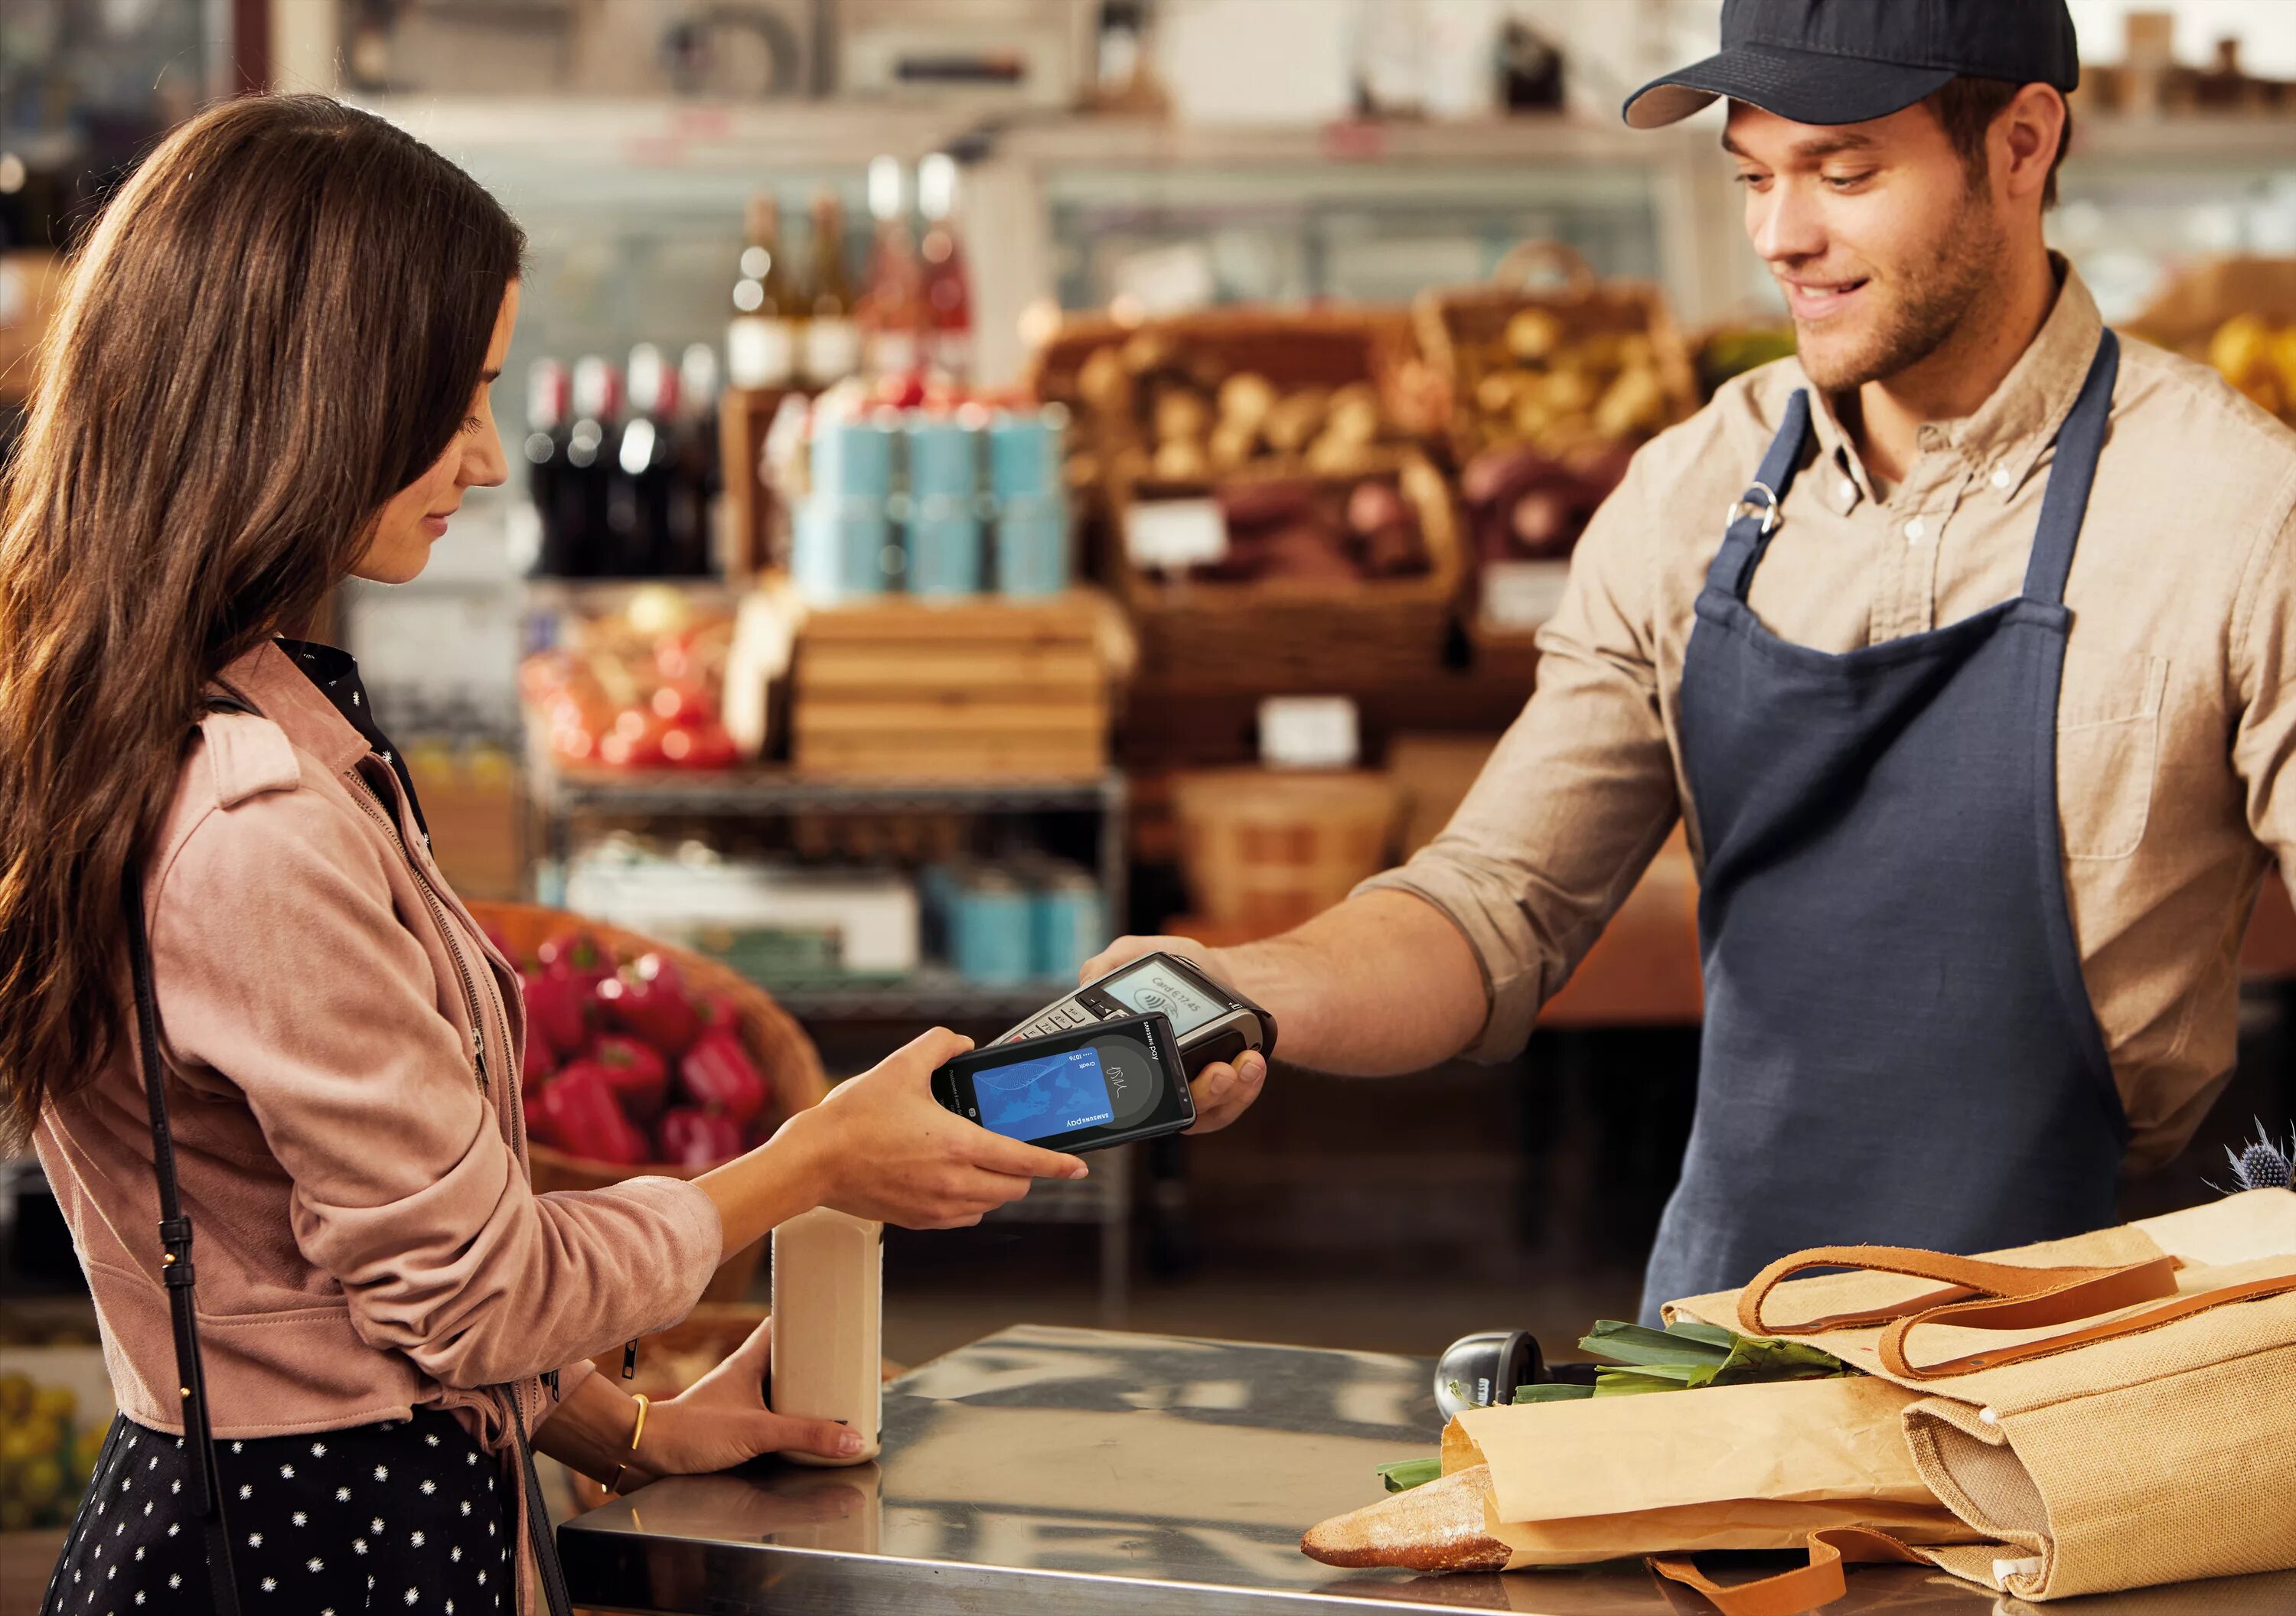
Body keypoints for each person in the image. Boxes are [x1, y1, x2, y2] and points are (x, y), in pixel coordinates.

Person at [0, 95, 1088, 1614]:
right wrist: (817, 1160)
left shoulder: (184, 718)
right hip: (319, 1558)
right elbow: (476, 1289)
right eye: (456, 401)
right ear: (312, 395)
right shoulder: (253, 827)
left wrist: (625, 1428)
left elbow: (338, 1284)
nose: (494, 458)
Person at [1091, 0, 2296, 1321]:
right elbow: (1499, 905)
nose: (1783, 236)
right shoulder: (1691, 490)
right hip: (1729, 1352)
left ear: (2021, 145)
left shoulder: (2231, 511)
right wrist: (1252, 987)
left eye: (1845, 173)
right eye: (1753, 176)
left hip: (2075, 1367)